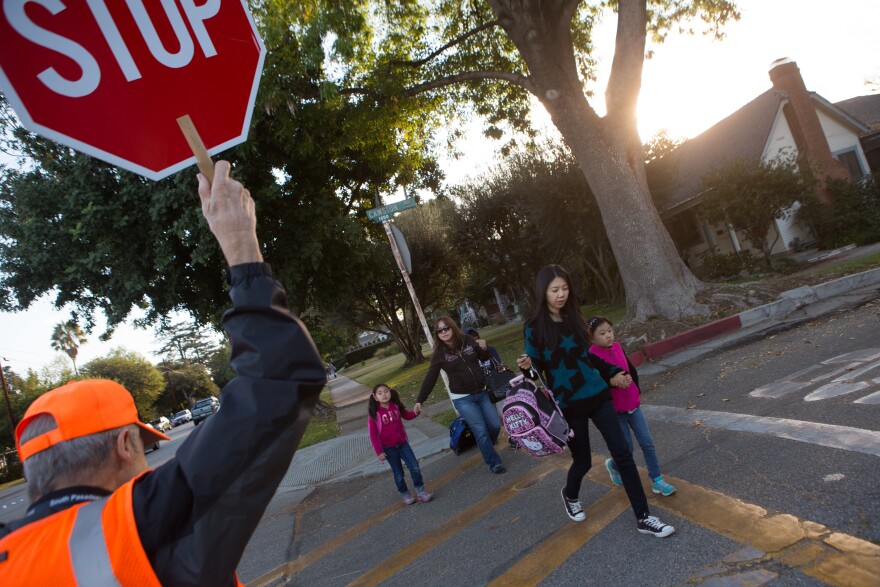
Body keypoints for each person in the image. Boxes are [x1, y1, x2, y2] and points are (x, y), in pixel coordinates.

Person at [0, 161, 326, 584]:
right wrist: (241, 245)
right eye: (140, 446)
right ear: (122, 445)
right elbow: (279, 379)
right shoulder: (138, 521)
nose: (145, 467)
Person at [516, 265, 674, 537]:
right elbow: (536, 371)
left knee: (623, 454)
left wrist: (611, 372)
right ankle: (570, 493)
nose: (561, 294)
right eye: (555, 290)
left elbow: (587, 357)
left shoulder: (575, 317)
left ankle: (644, 517)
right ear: (543, 292)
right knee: (583, 461)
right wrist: (527, 367)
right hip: (569, 404)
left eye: (564, 288)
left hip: (598, 396)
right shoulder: (534, 327)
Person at [587, 316, 676, 496]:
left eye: (610, 331)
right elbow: (596, 381)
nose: (608, 336)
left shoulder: (618, 347)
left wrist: (635, 389)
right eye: (602, 333)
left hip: (633, 405)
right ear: (592, 338)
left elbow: (630, 369)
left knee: (647, 442)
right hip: (615, 410)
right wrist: (613, 382)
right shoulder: (591, 356)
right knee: (626, 448)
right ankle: (614, 465)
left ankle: (657, 479)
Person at [415, 316, 506, 474]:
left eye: (446, 328)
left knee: (495, 425)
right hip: (463, 399)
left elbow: (484, 358)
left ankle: (487, 446)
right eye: (439, 330)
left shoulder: (468, 340)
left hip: (482, 392)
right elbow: (430, 377)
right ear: (437, 334)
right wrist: (420, 400)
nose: (443, 332)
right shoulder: (439, 354)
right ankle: (494, 462)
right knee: (481, 431)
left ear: (452, 327)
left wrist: (485, 347)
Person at [368, 384, 434, 505]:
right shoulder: (374, 414)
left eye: (386, 391)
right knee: (398, 473)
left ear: (390, 392)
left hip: (403, 444)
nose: (384, 394)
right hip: (388, 449)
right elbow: (373, 435)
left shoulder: (396, 406)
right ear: (375, 397)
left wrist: (416, 413)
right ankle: (405, 494)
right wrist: (379, 452)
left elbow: (407, 415)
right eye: (380, 393)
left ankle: (420, 491)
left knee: (414, 466)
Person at [464, 326, 517, 450]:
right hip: (481, 390)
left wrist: (485, 350)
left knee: (503, 413)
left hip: (496, 386)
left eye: (475, 337)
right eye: (470, 338)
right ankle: (493, 437)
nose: (474, 340)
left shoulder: (490, 349)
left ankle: (512, 437)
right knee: (491, 418)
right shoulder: (467, 356)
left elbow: (497, 364)